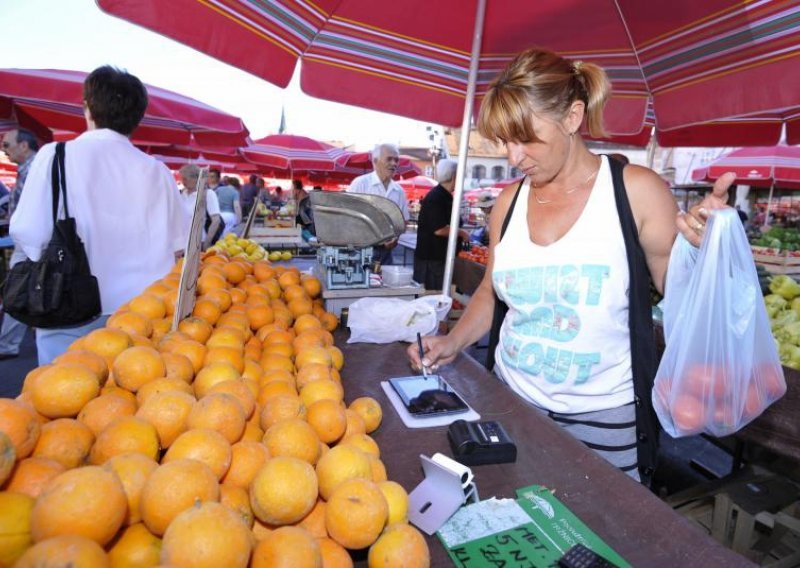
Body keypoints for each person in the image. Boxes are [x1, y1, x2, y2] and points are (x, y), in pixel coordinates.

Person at [406, 48, 733, 485]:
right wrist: (453, 341)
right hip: (510, 400)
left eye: (525, 138)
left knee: (604, 536)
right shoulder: (509, 201)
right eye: (505, 141)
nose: (514, 156)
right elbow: (490, 291)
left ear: (573, 117)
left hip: (604, 419)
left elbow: (681, 296)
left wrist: (702, 251)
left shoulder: (635, 191)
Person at [10, 65, 186, 365]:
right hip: (143, 313)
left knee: (60, 398)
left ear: (87, 108)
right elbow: (178, 244)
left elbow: (29, 232)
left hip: (66, 303)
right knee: (134, 401)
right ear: (137, 118)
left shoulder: (55, 156)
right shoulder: (158, 171)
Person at [0, 128, 39, 360]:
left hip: (29, 243)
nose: (4, 151)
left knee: (16, 291)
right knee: (23, 290)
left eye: (7, 145)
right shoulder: (27, 170)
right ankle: (10, 342)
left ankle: (8, 344)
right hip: (27, 241)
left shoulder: (35, 169)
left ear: (24, 145)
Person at [347, 143, 410, 265]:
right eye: (389, 159)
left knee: (386, 283)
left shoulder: (399, 190)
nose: (394, 163)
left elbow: (403, 221)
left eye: (396, 160)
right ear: (375, 161)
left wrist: (395, 238)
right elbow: (348, 218)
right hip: (360, 251)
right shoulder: (360, 184)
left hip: (386, 253)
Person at [413, 159, 469, 289]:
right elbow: (439, 229)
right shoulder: (436, 197)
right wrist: (462, 233)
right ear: (455, 176)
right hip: (432, 261)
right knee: (433, 298)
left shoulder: (443, 195)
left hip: (436, 259)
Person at [177, 164, 223, 250]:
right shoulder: (182, 194)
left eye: (185, 179)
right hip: (180, 244)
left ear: (196, 178)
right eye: (182, 178)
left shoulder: (208, 194)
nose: (183, 182)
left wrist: (207, 243)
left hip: (197, 243)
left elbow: (216, 220)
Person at [211, 169, 241, 235]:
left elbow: (212, 200)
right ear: (236, 185)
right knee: (227, 236)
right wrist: (239, 219)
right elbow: (236, 206)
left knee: (218, 234)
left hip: (219, 215)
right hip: (230, 216)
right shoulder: (235, 192)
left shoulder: (219, 189)